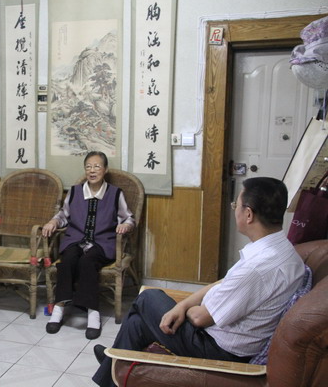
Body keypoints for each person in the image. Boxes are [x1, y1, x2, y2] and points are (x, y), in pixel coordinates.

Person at [92, 177, 306, 387]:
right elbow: (223, 282)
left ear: (248, 214)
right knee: (138, 323)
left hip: (218, 350)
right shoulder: (285, 251)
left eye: (236, 205)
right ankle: (111, 370)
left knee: (148, 298)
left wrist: (184, 309)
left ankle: (112, 365)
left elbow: (199, 318)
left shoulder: (256, 269)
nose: (235, 210)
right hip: (227, 336)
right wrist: (183, 305)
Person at [42, 151, 135, 340]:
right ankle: (59, 308)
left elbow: (129, 218)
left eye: (97, 166)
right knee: (67, 260)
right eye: (88, 167)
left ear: (105, 170)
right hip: (75, 239)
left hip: (102, 243)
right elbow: (63, 215)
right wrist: (53, 222)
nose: (92, 171)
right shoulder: (75, 191)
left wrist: (126, 225)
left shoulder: (115, 193)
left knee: (87, 262)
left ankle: (93, 313)